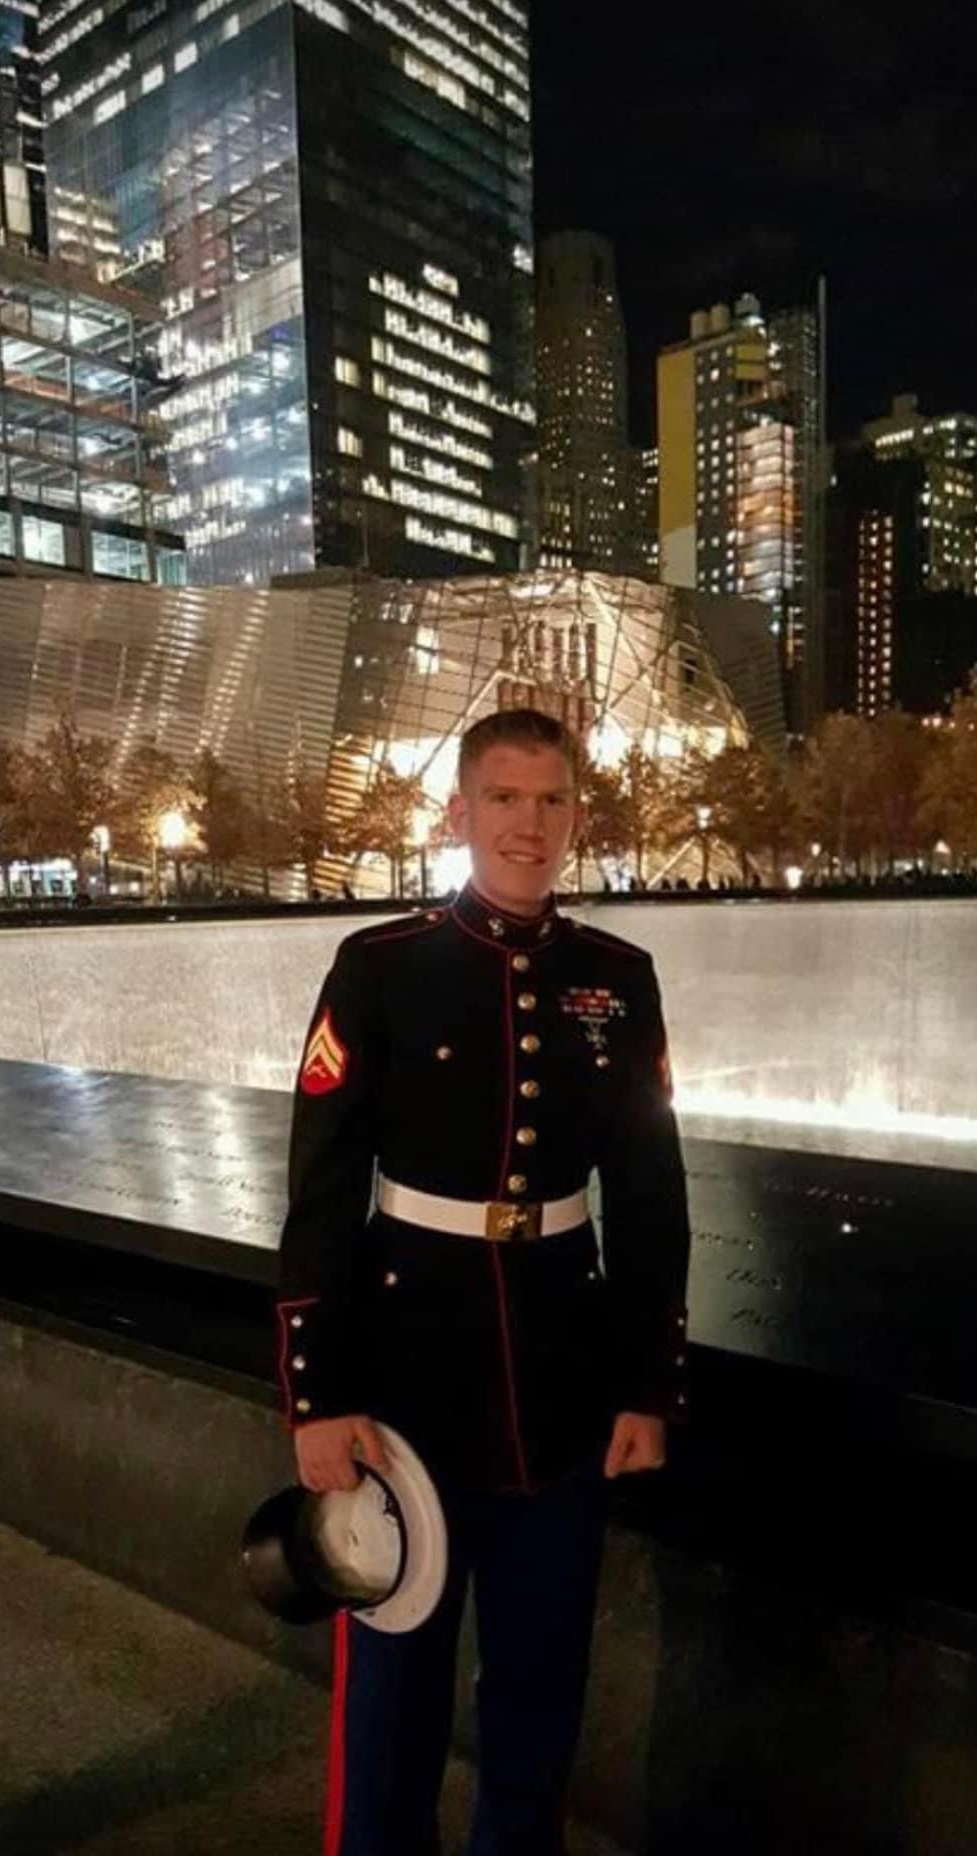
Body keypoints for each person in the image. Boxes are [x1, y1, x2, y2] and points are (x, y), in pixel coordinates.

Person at [276, 708, 691, 1856]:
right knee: (393, 1693)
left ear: (577, 817)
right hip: (407, 1382)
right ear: (458, 815)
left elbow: (652, 1196)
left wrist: (647, 1385)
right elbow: (320, 1190)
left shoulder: (619, 979)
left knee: (541, 1685)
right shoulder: (380, 967)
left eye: (552, 799)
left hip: (564, 1378)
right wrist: (317, 1396)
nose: (530, 823)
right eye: (504, 798)